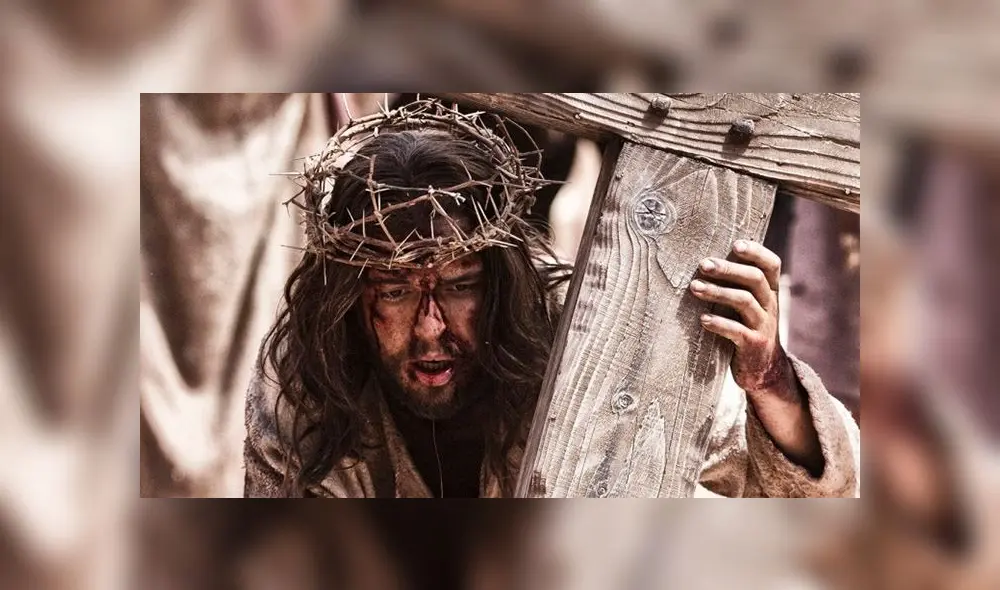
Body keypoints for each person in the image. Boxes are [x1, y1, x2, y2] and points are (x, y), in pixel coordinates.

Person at [244, 124, 860, 498]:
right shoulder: (301, 395)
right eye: (396, 291)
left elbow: (821, 496)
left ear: (504, 284)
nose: (431, 328)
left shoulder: (590, 340)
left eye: (460, 284)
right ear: (351, 300)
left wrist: (770, 381)